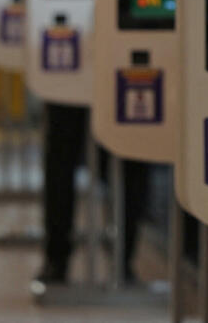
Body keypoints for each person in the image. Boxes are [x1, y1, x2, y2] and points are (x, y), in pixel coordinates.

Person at [36, 104, 150, 284]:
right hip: (67, 86)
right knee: (60, 161)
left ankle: (124, 260)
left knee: (132, 156)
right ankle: (56, 258)